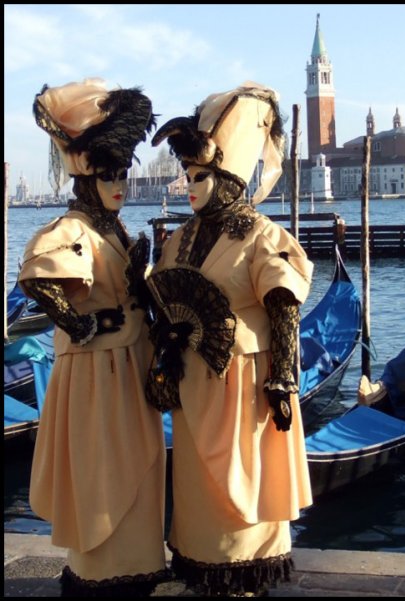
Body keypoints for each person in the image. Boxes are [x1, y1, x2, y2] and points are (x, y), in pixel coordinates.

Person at [146, 82, 314, 597]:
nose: (190, 186)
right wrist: (163, 360)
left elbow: (284, 303)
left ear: (227, 178)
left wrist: (283, 379)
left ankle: (244, 581)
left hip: (245, 388)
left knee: (245, 487)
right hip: (196, 385)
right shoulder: (182, 237)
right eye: (188, 176)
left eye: (201, 177)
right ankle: (203, 573)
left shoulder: (263, 235)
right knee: (198, 496)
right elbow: (169, 304)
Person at [18, 78, 169, 596]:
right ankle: (103, 573)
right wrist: (78, 322)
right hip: (98, 376)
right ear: (87, 179)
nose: (119, 186)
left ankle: (138, 565)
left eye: (122, 175)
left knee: (140, 469)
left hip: (129, 370)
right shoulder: (76, 227)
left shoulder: (114, 230)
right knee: (104, 470)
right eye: (107, 177)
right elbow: (37, 276)